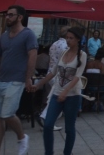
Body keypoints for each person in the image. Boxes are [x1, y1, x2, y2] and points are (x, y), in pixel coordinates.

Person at [0, 5, 37, 155]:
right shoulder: (4, 36)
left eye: (11, 15)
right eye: (7, 15)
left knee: (7, 114)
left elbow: (32, 56)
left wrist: (28, 78)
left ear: (20, 17)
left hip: (16, 80)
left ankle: (22, 137)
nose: (8, 17)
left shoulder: (28, 34)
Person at [31, 26, 86, 155]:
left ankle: (67, 152)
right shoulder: (63, 53)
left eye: (71, 38)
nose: (68, 40)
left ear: (77, 40)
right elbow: (53, 72)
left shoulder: (82, 55)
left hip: (72, 96)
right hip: (57, 93)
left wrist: (66, 91)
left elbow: (77, 77)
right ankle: (48, 152)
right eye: (67, 38)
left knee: (69, 128)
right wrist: (38, 85)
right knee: (48, 124)